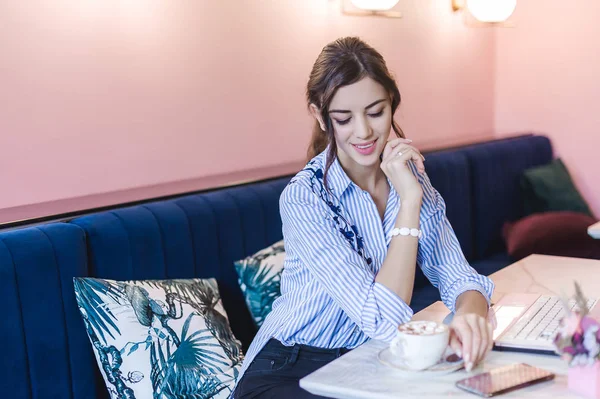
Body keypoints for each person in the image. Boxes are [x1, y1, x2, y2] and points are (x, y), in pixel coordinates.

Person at [232, 36, 495, 398]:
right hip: (287, 368)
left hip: (364, 361)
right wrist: (409, 202)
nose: (364, 131)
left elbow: (459, 276)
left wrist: (471, 315)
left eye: (376, 112)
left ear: (392, 104)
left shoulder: (410, 178)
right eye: (344, 118)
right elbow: (382, 319)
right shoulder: (305, 198)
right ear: (320, 116)